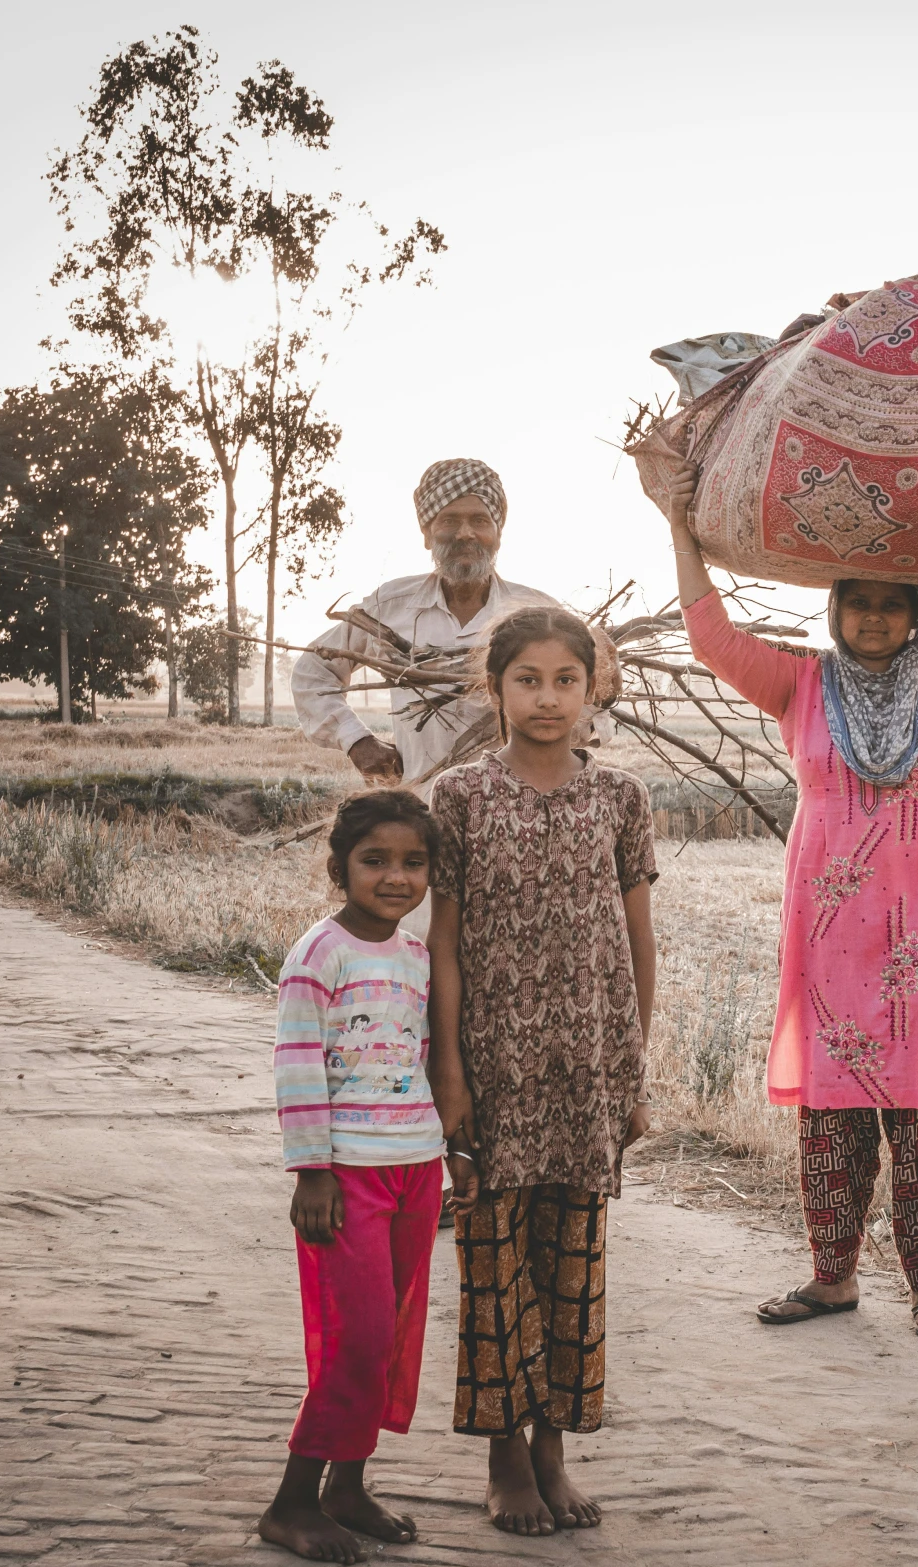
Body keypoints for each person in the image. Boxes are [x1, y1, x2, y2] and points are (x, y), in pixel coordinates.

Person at [663, 465, 918, 1340]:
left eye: (892, 603)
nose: (874, 617)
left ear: (917, 611)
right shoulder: (802, 685)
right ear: (834, 608)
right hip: (831, 933)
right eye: (858, 602)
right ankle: (831, 1278)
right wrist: (678, 526)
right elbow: (713, 638)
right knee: (833, 1112)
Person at [425, 605, 658, 1537]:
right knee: (493, 1266)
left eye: (568, 679)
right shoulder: (461, 797)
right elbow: (443, 943)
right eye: (528, 679)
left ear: (594, 686)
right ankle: (503, 1459)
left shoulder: (623, 797)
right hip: (495, 1067)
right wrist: (450, 1069)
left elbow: (640, 942)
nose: (549, 697)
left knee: (573, 1265)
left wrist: (634, 1070)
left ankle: (554, 1445)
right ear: (496, 688)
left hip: (588, 1073)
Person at [259, 789, 458, 1563]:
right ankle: (289, 1503)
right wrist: (310, 1170)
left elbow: (429, 1061)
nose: (397, 877)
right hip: (346, 1180)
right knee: (356, 1338)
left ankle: (346, 1486)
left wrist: (453, 1153)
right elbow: (297, 1065)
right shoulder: (319, 953)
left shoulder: (417, 957)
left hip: (417, 1167)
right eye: (375, 860)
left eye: (414, 862)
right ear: (339, 864)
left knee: (391, 1338)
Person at [292, 458, 560, 788]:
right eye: (449, 520)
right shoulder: (390, 606)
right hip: (422, 810)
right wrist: (355, 739)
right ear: (427, 534)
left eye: (479, 520)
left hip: (520, 810)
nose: (465, 534)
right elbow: (312, 671)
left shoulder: (539, 614)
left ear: (497, 534)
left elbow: (589, 709)